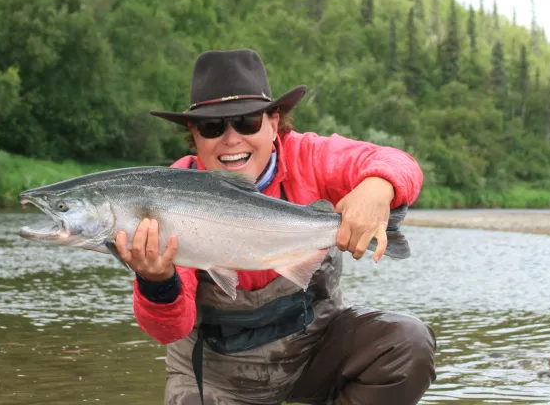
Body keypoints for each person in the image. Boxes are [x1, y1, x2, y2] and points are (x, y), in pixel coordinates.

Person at [114, 49, 437, 405]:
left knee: (408, 343)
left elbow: (398, 162)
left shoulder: (309, 157)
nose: (231, 138)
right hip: (217, 374)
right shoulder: (169, 198)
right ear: (194, 134)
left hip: (315, 351)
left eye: (247, 122)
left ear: (273, 122)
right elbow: (169, 330)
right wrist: (156, 283)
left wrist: (378, 187)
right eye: (212, 126)